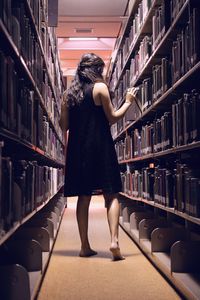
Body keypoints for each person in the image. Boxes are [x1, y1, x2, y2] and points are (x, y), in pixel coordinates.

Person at [60, 53, 137, 261]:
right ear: (96, 70)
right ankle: (114, 241)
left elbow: (63, 126)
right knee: (111, 194)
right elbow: (112, 118)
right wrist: (128, 102)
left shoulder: (68, 95)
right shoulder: (100, 88)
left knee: (83, 197)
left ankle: (85, 246)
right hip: (101, 146)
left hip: (78, 150)